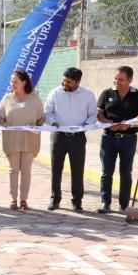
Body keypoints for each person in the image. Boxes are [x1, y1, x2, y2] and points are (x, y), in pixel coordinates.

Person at [96, 66, 138, 214]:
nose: (116, 81)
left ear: (130, 80)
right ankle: (105, 203)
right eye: (115, 78)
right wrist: (107, 122)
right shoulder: (106, 93)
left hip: (129, 140)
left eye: (121, 79)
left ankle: (124, 205)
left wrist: (130, 124)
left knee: (126, 172)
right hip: (109, 138)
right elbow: (98, 114)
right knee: (106, 172)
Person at [43, 67, 97, 213]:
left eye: (69, 81)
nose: (64, 83)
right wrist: (53, 123)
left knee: (77, 170)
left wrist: (87, 125)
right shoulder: (55, 93)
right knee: (56, 169)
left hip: (78, 138)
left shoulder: (88, 95)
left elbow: (93, 115)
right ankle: (55, 199)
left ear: (77, 82)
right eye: (64, 80)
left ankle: (77, 201)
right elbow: (47, 112)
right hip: (58, 136)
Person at [0, 70, 45, 211]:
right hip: (12, 141)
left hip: (30, 141)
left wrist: (38, 125)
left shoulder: (35, 99)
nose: (13, 84)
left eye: (15, 82)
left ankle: (24, 199)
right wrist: (1, 122)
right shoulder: (7, 99)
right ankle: (13, 199)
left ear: (24, 82)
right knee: (13, 170)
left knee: (26, 170)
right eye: (12, 82)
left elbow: (41, 118)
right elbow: (0, 117)